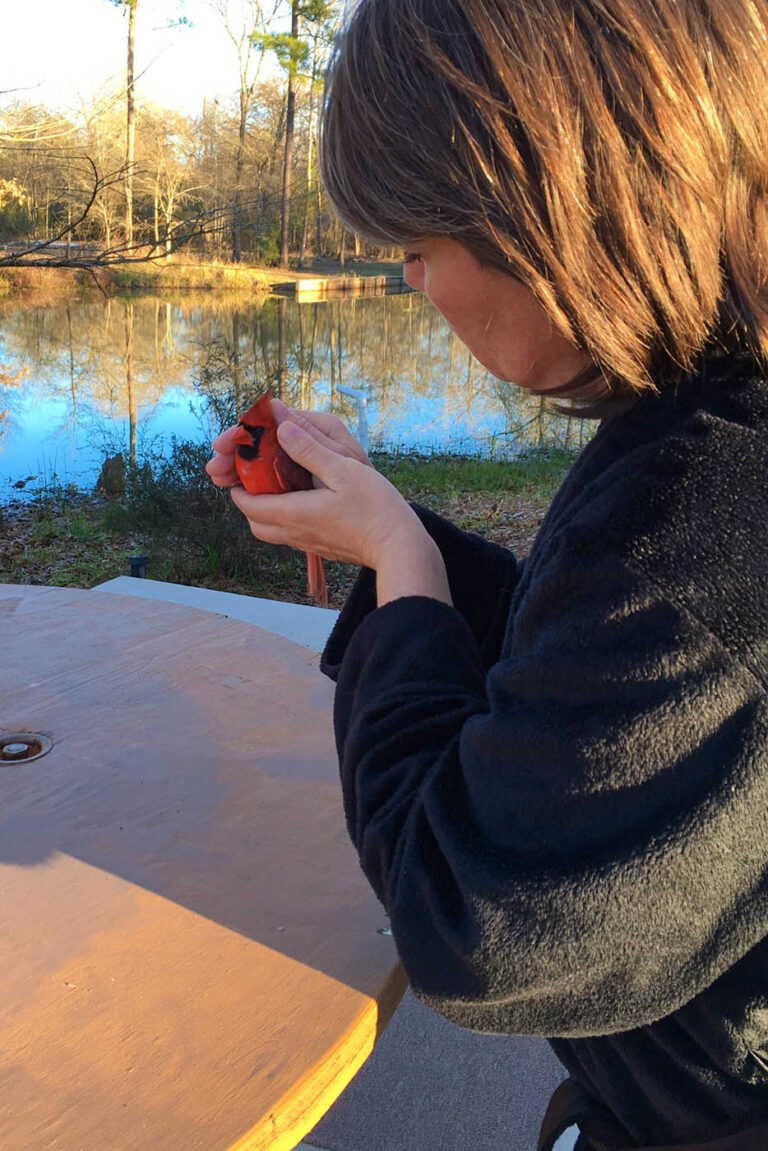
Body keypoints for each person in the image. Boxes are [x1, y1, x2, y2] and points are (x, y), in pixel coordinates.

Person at [206, 1, 768, 1147]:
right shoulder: (712, 441)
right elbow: (602, 665)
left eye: (417, 246)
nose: (413, 282)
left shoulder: (699, 506)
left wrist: (405, 565)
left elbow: (473, 909)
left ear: (542, 211)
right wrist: (384, 525)